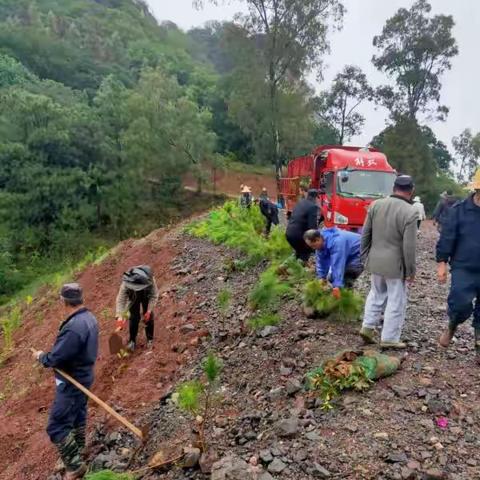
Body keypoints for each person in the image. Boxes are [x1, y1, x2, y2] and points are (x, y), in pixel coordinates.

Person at [31, 283, 98, 480]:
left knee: (57, 425)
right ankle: (78, 451)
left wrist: (41, 356)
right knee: (77, 415)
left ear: (64, 301)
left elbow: (56, 358)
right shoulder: (89, 318)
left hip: (72, 382)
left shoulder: (74, 327)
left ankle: (75, 465)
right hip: (84, 375)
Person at [359, 175, 417, 349]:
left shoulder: (376, 205)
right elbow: (409, 246)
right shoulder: (410, 211)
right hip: (395, 265)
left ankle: (367, 327)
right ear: (411, 190)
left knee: (376, 294)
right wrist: (410, 271)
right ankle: (389, 338)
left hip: (375, 260)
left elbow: (365, 234)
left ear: (394, 188)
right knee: (396, 300)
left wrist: (364, 257)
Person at [437, 169, 480, 363]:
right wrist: (441, 263)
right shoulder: (459, 210)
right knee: (460, 302)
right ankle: (453, 323)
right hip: (464, 266)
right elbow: (447, 238)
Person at [304, 228, 363, 298]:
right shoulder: (321, 243)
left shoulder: (336, 242)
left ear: (318, 239)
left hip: (358, 252)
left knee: (349, 273)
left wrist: (337, 286)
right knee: (332, 277)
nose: (313, 248)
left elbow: (338, 265)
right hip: (347, 253)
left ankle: (349, 296)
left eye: (313, 246)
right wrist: (321, 277)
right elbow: (321, 262)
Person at [115, 265, 158, 351]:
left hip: (146, 295)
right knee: (134, 317)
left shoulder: (150, 280)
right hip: (133, 297)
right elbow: (121, 299)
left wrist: (149, 311)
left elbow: (154, 295)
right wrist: (120, 316)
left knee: (149, 317)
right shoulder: (126, 283)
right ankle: (132, 341)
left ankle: (150, 339)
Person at [286, 189, 319, 262]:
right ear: (316, 198)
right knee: (305, 252)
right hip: (298, 236)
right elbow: (312, 227)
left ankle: (289, 267)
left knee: (299, 252)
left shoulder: (300, 202)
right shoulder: (313, 207)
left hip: (289, 233)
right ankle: (299, 270)